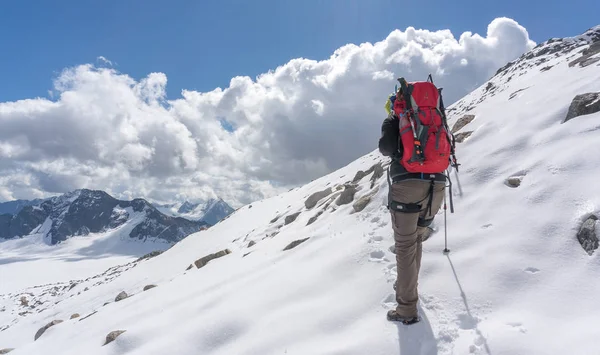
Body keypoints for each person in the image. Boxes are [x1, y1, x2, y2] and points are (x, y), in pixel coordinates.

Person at [378, 85, 447, 325]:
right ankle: (408, 286)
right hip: (437, 185)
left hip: (407, 186)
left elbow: (386, 148)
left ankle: (406, 309)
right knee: (416, 238)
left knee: (406, 245)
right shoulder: (435, 116)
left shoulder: (396, 118)